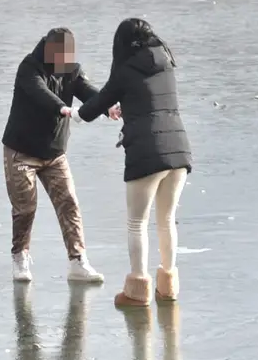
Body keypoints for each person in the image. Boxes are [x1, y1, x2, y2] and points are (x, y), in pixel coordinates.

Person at [69, 18, 192, 307]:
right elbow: (152, 101)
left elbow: (93, 109)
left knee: (137, 222)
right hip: (179, 151)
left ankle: (137, 290)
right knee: (166, 219)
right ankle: (168, 285)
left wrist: (72, 114)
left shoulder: (125, 70)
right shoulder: (167, 64)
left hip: (147, 152)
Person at [2, 27, 117, 284]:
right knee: (25, 207)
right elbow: (39, 92)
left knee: (69, 203)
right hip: (21, 152)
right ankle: (20, 256)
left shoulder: (70, 68)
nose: (66, 60)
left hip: (54, 154)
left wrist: (106, 106)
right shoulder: (29, 68)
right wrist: (63, 108)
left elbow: (86, 89)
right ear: (49, 50)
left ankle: (78, 262)